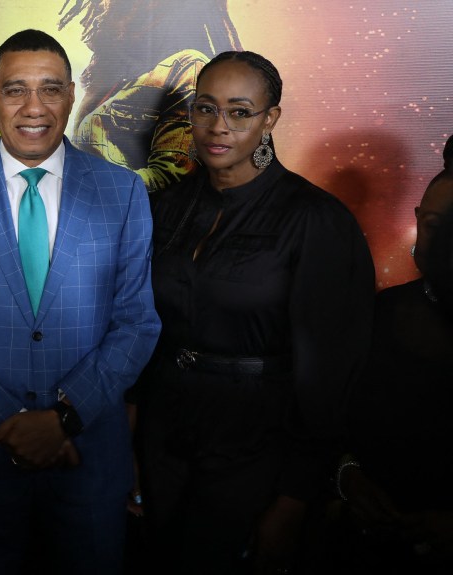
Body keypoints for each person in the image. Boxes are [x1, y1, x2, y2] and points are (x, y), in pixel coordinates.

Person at [0, 29, 161, 574]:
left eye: (49, 89)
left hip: (88, 463)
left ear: (70, 96)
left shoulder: (122, 191)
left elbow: (137, 322)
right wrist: (14, 423)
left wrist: (63, 419)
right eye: (16, 89)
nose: (33, 107)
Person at [134, 51, 375, 574]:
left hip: (256, 446)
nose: (218, 126)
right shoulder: (165, 208)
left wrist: (294, 497)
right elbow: (142, 329)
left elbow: (330, 373)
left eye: (240, 112)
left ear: (270, 118)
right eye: (205, 108)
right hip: (163, 435)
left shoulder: (315, 221)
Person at [335, 170, 453, 573]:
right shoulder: (380, 312)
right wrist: (347, 475)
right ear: (418, 218)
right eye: (436, 225)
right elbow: (337, 415)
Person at [58, 0, 241, 192]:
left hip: (121, 211)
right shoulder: (111, 82)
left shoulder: (187, 67)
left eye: (118, 8)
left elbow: (171, 175)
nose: (98, 18)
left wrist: (94, 186)